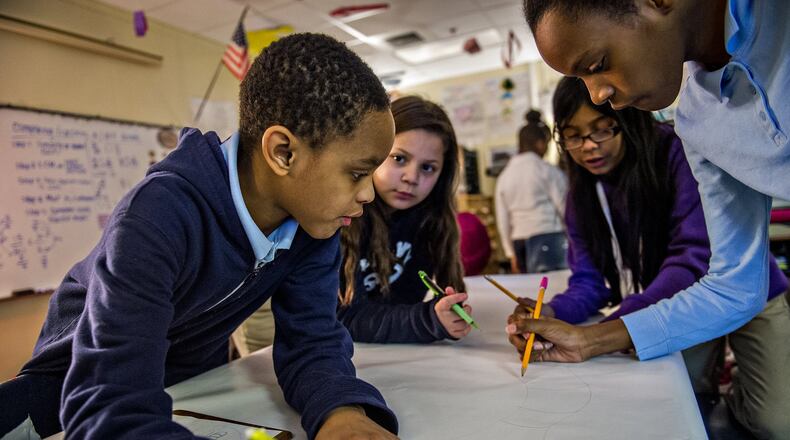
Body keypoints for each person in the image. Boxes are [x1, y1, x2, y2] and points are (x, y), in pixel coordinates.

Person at [0, 33, 399, 440]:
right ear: (283, 153)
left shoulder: (315, 223)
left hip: (189, 387)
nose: (368, 193)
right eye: (356, 173)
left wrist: (341, 411)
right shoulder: (157, 216)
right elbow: (108, 403)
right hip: (66, 397)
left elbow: (312, 340)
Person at [509, 2, 790, 437]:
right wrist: (568, 324)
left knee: (778, 416)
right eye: (573, 137)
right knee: (679, 388)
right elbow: (732, 284)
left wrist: (614, 322)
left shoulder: (673, 149)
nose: (598, 94)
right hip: (697, 299)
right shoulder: (700, 122)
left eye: (598, 65)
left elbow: (695, 261)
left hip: (724, 294)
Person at [338, 96, 472, 343]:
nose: (412, 177)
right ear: (373, 151)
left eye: (428, 168)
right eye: (399, 158)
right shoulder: (341, 217)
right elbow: (343, 318)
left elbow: (403, 303)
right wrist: (426, 320)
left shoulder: (429, 221)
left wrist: (444, 314)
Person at [495, 109, 567, 274]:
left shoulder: (504, 176)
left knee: (531, 295)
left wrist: (510, 253)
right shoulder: (547, 171)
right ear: (541, 143)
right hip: (549, 238)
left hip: (519, 243)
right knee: (552, 292)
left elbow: (502, 219)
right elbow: (565, 207)